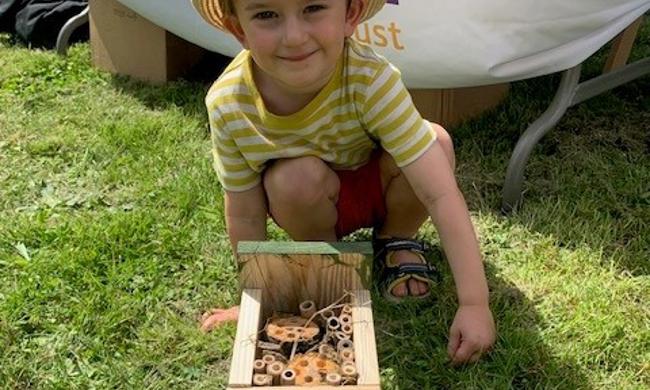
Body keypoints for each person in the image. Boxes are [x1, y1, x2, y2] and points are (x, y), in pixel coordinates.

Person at [192, 0, 495, 364]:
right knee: (292, 179)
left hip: (380, 187)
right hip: (310, 201)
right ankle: (327, 263)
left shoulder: (371, 78)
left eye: (314, 7)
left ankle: (394, 239)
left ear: (349, 15)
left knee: (436, 142)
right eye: (266, 14)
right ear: (238, 29)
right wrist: (255, 300)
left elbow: (440, 192)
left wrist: (475, 303)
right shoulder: (228, 103)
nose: (294, 36)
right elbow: (243, 212)